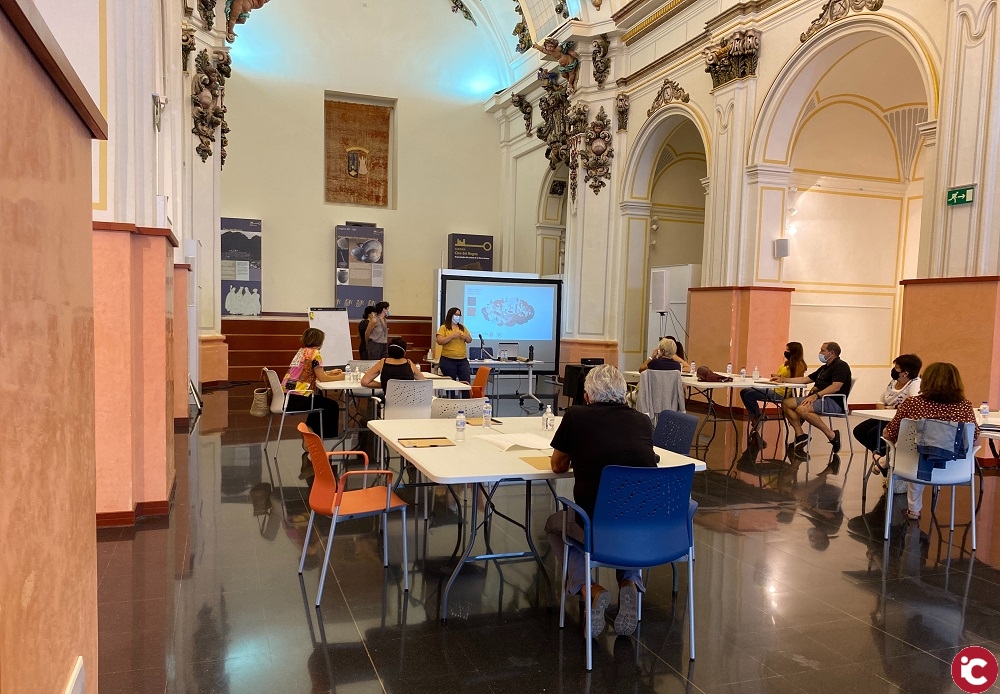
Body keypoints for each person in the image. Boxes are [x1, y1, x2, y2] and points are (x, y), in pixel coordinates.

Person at [545, 365, 657, 638]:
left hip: (594, 524)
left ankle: (591, 590)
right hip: (642, 524)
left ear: (587, 396)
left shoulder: (576, 416)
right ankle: (629, 583)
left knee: (555, 525)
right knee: (627, 512)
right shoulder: (642, 421)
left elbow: (558, 465)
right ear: (624, 394)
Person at [881, 362, 978, 521]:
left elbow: (890, 433)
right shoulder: (965, 406)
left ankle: (913, 509)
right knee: (926, 447)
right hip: (953, 468)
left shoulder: (913, 403)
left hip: (914, 467)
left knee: (919, 448)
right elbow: (974, 437)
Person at [777, 341, 852, 456]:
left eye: (822, 351)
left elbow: (836, 387)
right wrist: (783, 379)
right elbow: (805, 379)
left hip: (833, 401)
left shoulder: (841, 366)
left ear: (831, 353)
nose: (820, 353)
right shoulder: (824, 368)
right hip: (818, 398)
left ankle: (831, 435)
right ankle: (801, 435)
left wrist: (816, 395)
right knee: (786, 403)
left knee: (802, 409)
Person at [855, 354, 923, 471]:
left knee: (873, 435)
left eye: (897, 367)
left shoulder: (915, 384)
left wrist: (890, 408)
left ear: (905, 373)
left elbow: (912, 404)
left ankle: (887, 464)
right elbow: (880, 402)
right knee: (859, 431)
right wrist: (887, 408)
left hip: (899, 421)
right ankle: (881, 458)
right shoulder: (893, 382)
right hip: (884, 417)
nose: (893, 370)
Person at [282, 328, 344, 438]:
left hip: (286, 396)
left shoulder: (301, 351)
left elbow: (308, 372)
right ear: (319, 341)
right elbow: (322, 378)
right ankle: (321, 437)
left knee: (318, 402)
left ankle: (310, 432)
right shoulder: (315, 354)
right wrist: (341, 377)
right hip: (299, 397)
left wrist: (329, 373)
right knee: (331, 405)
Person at [741, 341, 808, 430]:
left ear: (794, 351)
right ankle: (757, 416)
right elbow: (785, 376)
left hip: (781, 393)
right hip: (775, 388)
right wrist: (778, 376)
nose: (785, 352)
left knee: (749, 395)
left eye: (788, 350)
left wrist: (783, 379)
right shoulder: (787, 363)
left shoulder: (799, 365)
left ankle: (757, 416)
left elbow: (797, 380)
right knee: (744, 391)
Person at [436, 306, 473, 395]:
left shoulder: (462, 327)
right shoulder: (444, 327)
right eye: (456, 314)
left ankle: (466, 401)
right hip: (448, 360)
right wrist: (452, 336)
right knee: (450, 385)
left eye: (459, 315)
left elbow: (469, 340)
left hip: (462, 360)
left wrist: (465, 337)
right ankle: (451, 401)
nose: (458, 316)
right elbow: (439, 341)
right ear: (451, 315)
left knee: (466, 383)